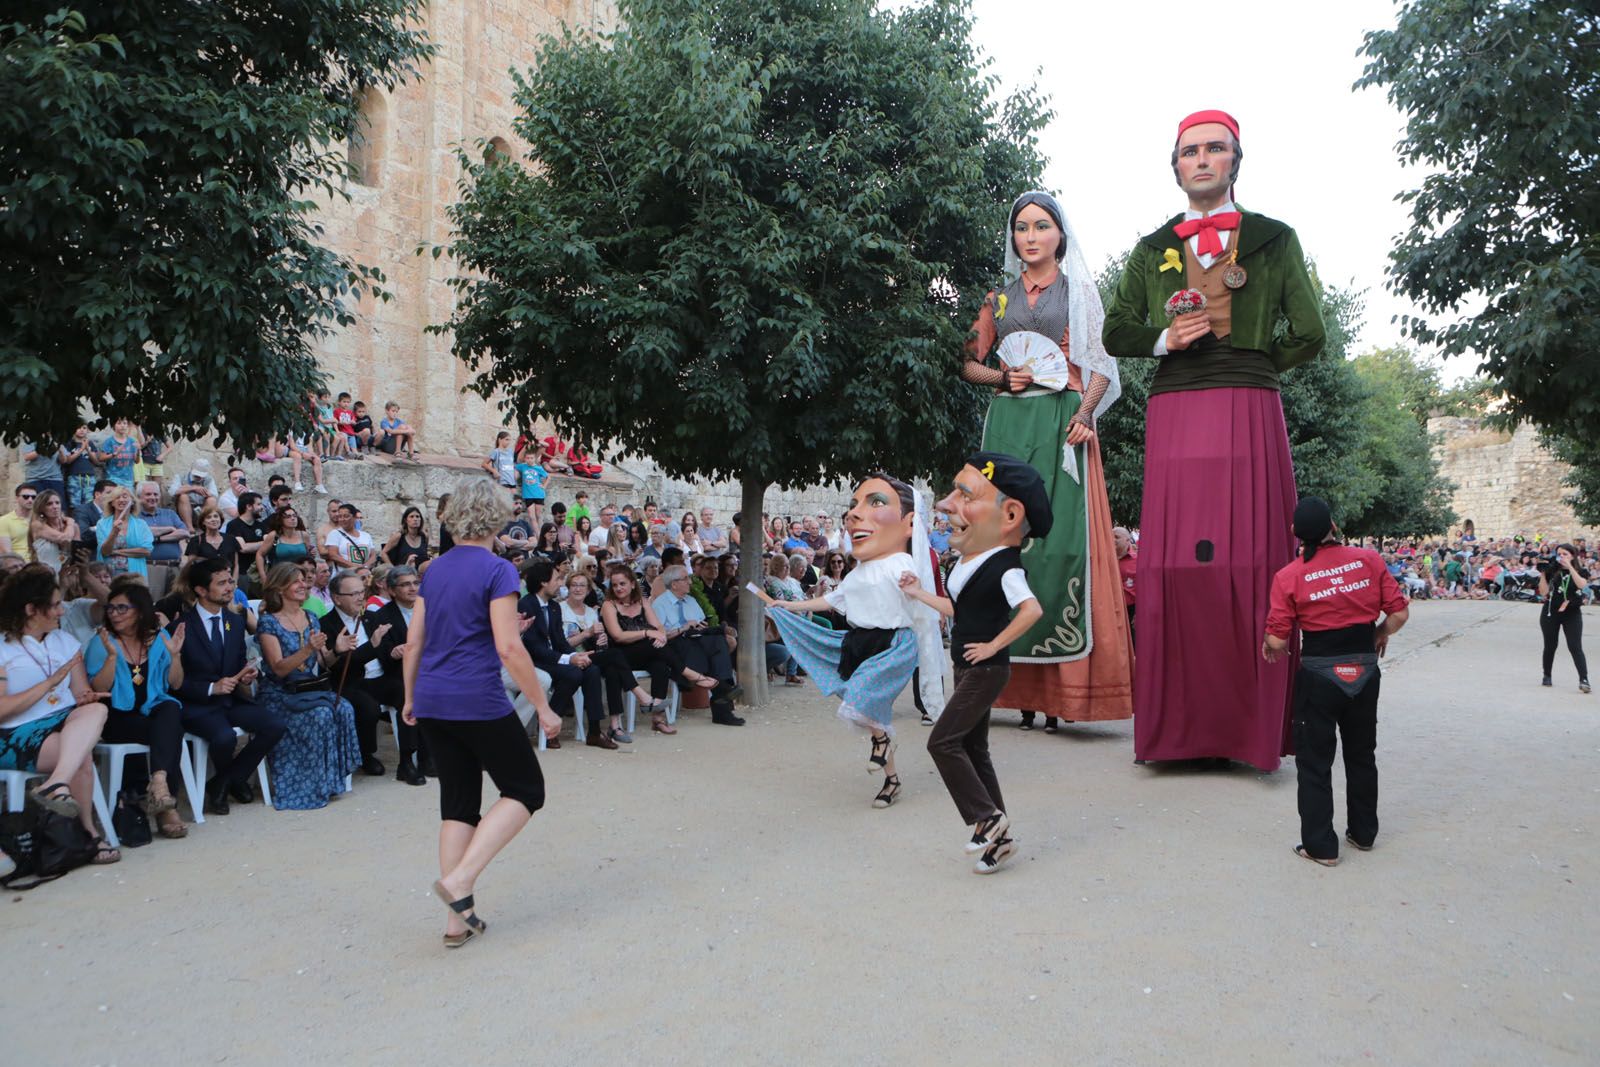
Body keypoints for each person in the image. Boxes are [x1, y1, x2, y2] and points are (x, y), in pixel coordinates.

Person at [1103, 109, 1325, 770]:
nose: (1202, 159)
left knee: (1254, 563)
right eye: (1190, 151)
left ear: (1235, 161)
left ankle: (1251, 734)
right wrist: (1163, 339)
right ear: (1176, 167)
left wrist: (1252, 361)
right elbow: (1116, 331)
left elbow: (1311, 331)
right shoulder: (1152, 247)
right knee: (1171, 568)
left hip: (1248, 405)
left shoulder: (1273, 238)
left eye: (1215, 149)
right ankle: (1179, 731)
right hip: (1176, 409)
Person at [960, 189, 1133, 733]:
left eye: (1041, 226)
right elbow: (969, 363)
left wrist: (1084, 416)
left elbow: (1101, 363)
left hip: (1063, 421)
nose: (1030, 236)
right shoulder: (999, 299)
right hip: (1009, 420)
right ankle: (1002, 681)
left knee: (1058, 541)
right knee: (1001, 541)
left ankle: (1067, 691)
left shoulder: (1079, 291)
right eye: (1021, 228)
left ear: (1060, 234)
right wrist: (1001, 377)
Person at [401, 477, 558, 948]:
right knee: (526, 789)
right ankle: (462, 878)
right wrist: (542, 706)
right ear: (496, 517)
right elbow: (509, 648)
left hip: (432, 696)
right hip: (476, 697)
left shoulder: (435, 569)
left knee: (459, 802)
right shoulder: (498, 570)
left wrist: (411, 697)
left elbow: (415, 641)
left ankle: (456, 921)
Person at [758, 473, 946, 809]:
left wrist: (912, 582)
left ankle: (883, 745)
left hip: (893, 644)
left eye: (875, 503)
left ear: (908, 525)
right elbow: (831, 601)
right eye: (855, 506)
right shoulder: (858, 572)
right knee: (872, 714)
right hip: (858, 642)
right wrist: (789, 604)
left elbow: (916, 588)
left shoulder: (901, 562)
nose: (855, 515)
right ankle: (891, 778)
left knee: (859, 702)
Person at [901, 454, 1050, 874]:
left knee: (942, 741)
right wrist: (917, 593)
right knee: (974, 748)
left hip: (986, 668)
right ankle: (1000, 840)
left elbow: (1031, 611)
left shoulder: (1006, 567)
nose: (947, 505)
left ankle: (985, 818)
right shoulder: (971, 563)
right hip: (968, 666)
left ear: (1010, 515)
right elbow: (958, 609)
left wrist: (992, 647)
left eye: (964, 494)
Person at [1262, 498, 1409, 867]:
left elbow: (1278, 641)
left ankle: (1321, 847)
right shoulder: (1370, 560)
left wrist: (1270, 648)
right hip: (1364, 669)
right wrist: (1376, 635)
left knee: (1315, 763)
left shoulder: (1288, 576)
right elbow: (1399, 613)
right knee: (1362, 754)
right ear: (1334, 527)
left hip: (1319, 675)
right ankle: (1363, 834)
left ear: (1295, 534)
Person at [0, 565, 118, 863]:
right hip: (16, 732)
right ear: (31, 609)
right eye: (54, 605)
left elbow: (79, 695)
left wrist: (86, 696)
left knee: (94, 708)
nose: (61, 612)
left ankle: (56, 783)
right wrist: (48, 685)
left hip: (64, 723)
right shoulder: (3, 647)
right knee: (82, 756)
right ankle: (89, 834)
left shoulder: (66, 643)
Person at [171, 557, 286, 815]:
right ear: (201, 590)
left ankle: (224, 781)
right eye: (221, 583)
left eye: (230, 581)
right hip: (198, 705)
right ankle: (230, 782)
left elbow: (236, 662)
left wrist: (247, 674)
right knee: (224, 737)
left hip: (232, 700)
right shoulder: (180, 627)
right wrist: (212, 688)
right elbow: (173, 683)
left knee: (275, 725)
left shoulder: (235, 621)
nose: (229, 587)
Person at [85, 580, 190, 839]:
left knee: (169, 709)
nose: (114, 614)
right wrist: (111, 657)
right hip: (115, 716)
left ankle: (158, 783)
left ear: (140, 611)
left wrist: (175, 656)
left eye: (122, 608)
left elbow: (175, 684)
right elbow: (98, 688)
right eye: (111, 608)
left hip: (151, 711)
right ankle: (165, 804)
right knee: (170, 731)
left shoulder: (159, 639)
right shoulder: (102, 641)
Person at [253, 563, 361, 809]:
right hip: (279, 695)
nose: (304, 585)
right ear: (280, 588)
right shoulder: (268, 622)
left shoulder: (311, 617)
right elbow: (279, 669)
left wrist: (337, 650)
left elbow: (324, 661)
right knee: (321, 714)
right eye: (296, 581)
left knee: (343, 707)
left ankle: (330, 779)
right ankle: (306, 783)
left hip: (306, 690)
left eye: (304, 580)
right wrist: (308, 649)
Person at [319, 567, 424, 783]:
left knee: (407, 693)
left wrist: (393, 652)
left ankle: (406, 760)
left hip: (380, 678)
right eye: (353, 594)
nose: (360, 597)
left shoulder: (372, 617)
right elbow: (338, 667)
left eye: (361, 592)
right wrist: (373, 646)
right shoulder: (326, 624)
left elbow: (385, 654)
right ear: (337, 598)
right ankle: (366, 755)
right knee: (368, 707)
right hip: (350, 682)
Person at [601, 564, 717, 735]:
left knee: (660, 665)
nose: (618, 588)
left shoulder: (643, 602)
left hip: (647, 652)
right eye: (615, 585)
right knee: (651, 644)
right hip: (621, 654)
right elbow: (618, 636)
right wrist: (649, 633)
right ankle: (689, 673)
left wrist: (661, 636)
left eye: (622, 583)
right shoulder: (609, 605)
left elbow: (660, 627)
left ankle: (658, 718)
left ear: (633, 584)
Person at [519, 558, 617, 747]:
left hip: (552, 658)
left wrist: (575, 656)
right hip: (533, 661)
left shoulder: (554, 606)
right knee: (572, 673)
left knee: (591, 669)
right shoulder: (526, 604)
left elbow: (560, 642)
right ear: (543, 582)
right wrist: (568, 659)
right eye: (557, 579)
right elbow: (533, 647)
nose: (560, 583)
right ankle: (548, 726)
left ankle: (595, 732)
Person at [653, 564, 743, 724]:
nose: (690, 582)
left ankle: (723, 690)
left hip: (697, 638)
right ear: (674, 584)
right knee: (709, 646)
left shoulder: (691, 600)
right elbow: (659, 636)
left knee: (717, 640)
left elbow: (702, 623)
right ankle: (724, 694)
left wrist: (701, 626)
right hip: (676, 643)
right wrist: (683, 628)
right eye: (686, 579)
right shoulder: (660, 604)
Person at [1538, 544, 1590, 693]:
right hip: (1550, 612)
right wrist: (1542, 573)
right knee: (1550, 645)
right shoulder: (1552, 570)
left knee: (1575, 646)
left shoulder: (1581, 571)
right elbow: (1543, 592)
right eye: (1559, 554)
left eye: (1565, 554)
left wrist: (1570, 567)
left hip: (1572, 612)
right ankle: (1547, 675)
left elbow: (1581, 584)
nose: (1561, 556)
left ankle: (1584, 679)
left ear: (1573, 555)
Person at [95, 486, 154, 578]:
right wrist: (114, 532)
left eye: (125, 496)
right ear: (112, 503)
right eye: (117, 497)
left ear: (132, 502)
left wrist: (116, 552)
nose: (121, 499)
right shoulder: (102, 524)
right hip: (109, 575)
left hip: (134, 574)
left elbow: (146, 551)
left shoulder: (141, 524)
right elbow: (105, 551)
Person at [259, 503, 313, 584]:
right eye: (288, 517)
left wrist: (311, 554)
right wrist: (263, 575)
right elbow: (260, 554)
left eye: (294, 516)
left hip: (300, 577)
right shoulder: (274, 535)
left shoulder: (304, 535)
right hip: (279, 578)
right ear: (281, 520)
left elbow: (308, 557)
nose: (293, 518)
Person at [27, 489, 78, 574]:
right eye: (49, 504)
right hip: (44, 575)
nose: (55, 506)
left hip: (66, 574)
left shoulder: (72, 527)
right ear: (41, 507)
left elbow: (77, 552)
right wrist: (70, 523)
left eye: (57, 503)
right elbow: (64, 539)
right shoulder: (37, 525)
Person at [184, 503, 239, 580]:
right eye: (209, 517)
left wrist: (234, 583)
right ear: (203, 522)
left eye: (216, 516)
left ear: (220, 519)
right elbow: (191, 566)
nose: (213, 519)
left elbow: (236, 565)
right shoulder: (195, 541)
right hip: (205, 584)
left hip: (228, 583)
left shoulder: (231, 539)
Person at [323, 502, 377, 568]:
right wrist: (355, 567)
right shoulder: (335, 534)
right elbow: (333, 555)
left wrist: (365, 567)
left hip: (363, 575)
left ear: (354, 517)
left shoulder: (366, 536)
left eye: (346, 516)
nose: (342, 519)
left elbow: (373, 555)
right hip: (343, 576)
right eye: (340, 516)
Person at [95, 419, 139, 489]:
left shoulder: (132, 441)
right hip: (113, 478)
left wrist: (138, 451)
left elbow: (136, 461)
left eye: (125, 423)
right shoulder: (109, 441)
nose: (122, 426)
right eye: (119, 423)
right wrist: (113, 455)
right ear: (113, 426)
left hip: (128, 479)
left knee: (127, 499)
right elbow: (101, 458)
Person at [1113, 526, 1137, 641]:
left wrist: (1139, 612)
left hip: (1131, 612)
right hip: (1111, 611)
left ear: (1127, 540)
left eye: (1116, 537)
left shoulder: (1138, 561)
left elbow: (1146, 590)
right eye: (1111, 536)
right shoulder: (1105, 560)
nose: (1112, 540)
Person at [0, 484, 35, 561]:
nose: (30, 500)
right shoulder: (4, 521)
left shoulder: (39, 519)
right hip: (17, 565)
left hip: (39, 565)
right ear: (16, 498)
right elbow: (6, 552)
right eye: (25, 497)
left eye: (33, 497)